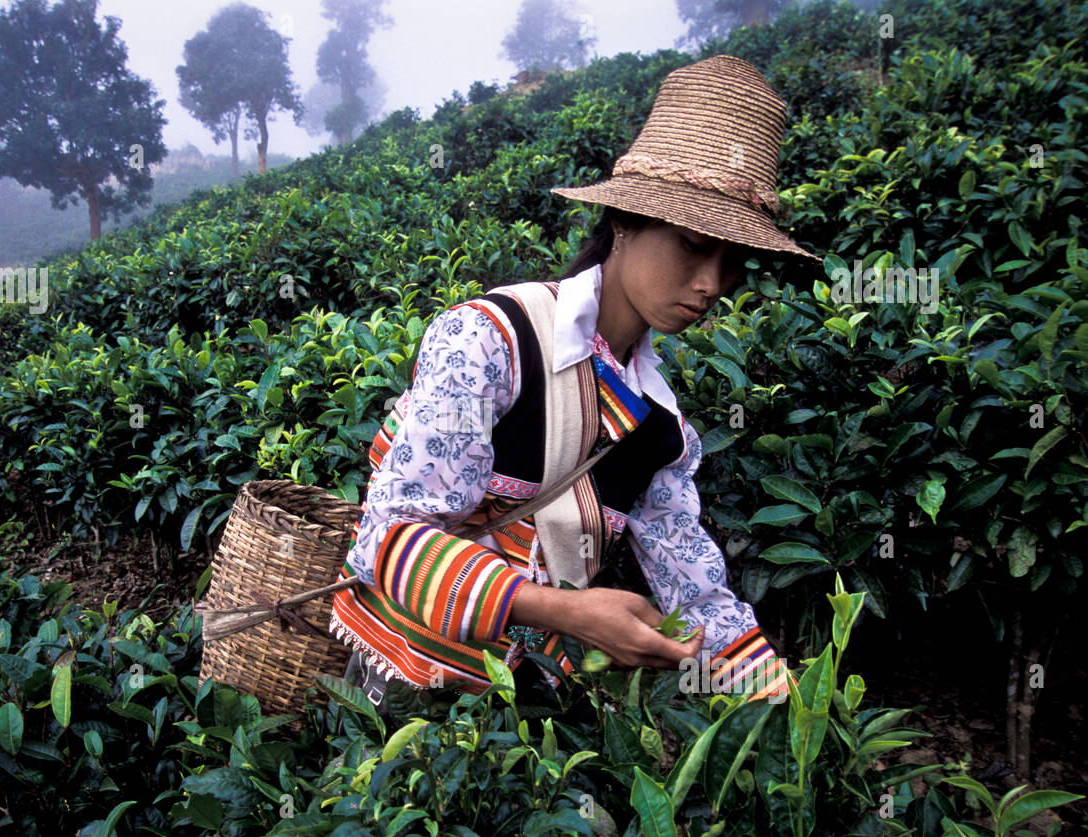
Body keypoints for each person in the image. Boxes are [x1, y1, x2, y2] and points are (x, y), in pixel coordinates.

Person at [330, 55, 819, 709]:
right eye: (691, 244)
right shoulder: (489, 341)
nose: (711, 285)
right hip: (409, 688)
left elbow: (694, 590)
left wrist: (795, 701)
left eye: (733, 264)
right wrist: (568, 612)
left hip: (526, 713)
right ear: (623, 221)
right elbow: (385, 541)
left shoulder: (660, 427)